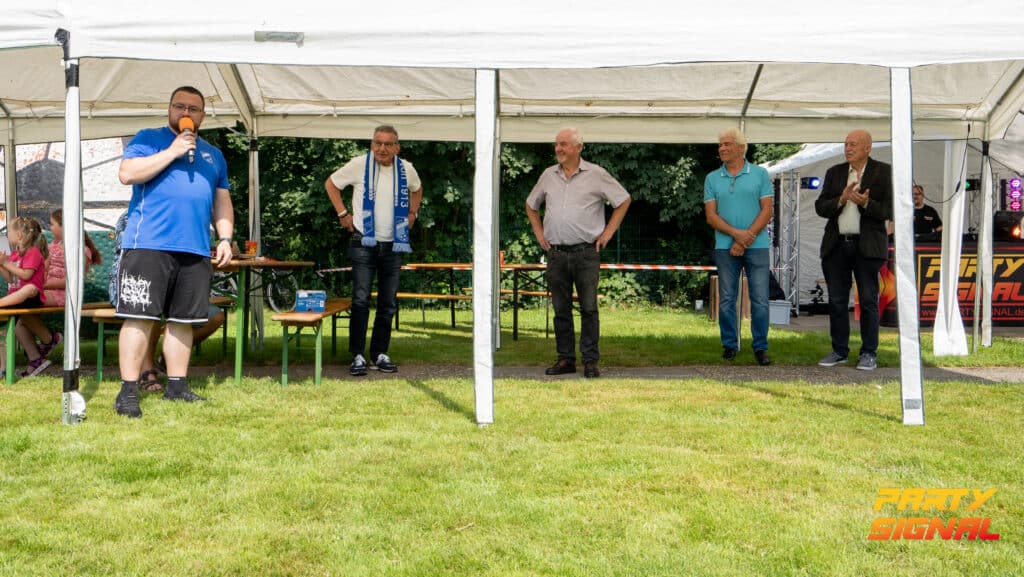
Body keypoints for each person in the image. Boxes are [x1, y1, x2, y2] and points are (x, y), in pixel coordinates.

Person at [114, 85, 234, 418]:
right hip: (148, 244)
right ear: (169, 109)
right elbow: (127, 173)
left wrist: (225, 237)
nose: (185, 113)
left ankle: (177, 388)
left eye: (193, 108)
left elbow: (222, 201)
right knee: (140, 317)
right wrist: (173, 150)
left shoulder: (213, 154)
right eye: (179, 106)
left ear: (203, 116)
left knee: (184, 321)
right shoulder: (149, 139)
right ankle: (128, 392)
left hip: (195, 248)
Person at [526, 127, 631, 378]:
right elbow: (531, 205)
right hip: (556, 253)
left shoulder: (597, 174)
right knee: (560, 309)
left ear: (578, 147)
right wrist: (539, 234)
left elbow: (623, 200)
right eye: (556, 144)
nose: (558, 148)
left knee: (589, 308)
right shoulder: (548, 175)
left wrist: (607, 233)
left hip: (586, 253)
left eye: (563, 144)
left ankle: (590, 361)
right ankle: (565, 360)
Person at [325, 125, 423, 376]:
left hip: (394, 244)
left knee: (388, 303)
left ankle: (379, 353)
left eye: (388, 144)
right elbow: (331, 184)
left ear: (397, 147)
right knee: (360, 300)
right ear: (371, 145)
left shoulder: (406, 169)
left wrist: (413, 213)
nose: (382, 148)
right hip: (363, 242)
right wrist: (342, 214)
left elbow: (417, 189)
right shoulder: (359, 165)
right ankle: (357, 355)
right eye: (378, 143)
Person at [107, 210, 225, 392]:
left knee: (211, 316)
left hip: (170, 284)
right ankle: (145, 373)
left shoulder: (190, 218)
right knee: (150, 313)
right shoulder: (135, 216)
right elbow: (137, 256)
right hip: (131, 284)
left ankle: (166, 361)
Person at [814, 129, 892, 371]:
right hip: (837, 245)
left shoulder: (884, 172)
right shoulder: (835, 172)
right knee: (837, 301)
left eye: (853, 144)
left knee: (868, 301)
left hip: (867, 246)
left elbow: (890, 210)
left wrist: (866, 203)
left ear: (868, 148)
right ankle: (839, 351)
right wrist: (841, 199)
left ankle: (869, 352)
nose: (848, 148)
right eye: (846, 144)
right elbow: (821, 207)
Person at [704, 128, 774, 366]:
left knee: (760, 299)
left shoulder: (760, 174)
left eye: (727, 144)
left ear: (741, 148)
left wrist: (746, 238)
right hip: (726, 247)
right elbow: (711, 216)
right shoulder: (712, 178)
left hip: (757, 246)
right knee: (726, 299)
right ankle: (729, 345)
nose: (722, 148)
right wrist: (738, 236)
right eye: (720, 144)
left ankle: (760, 348)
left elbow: (767, 210)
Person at [14, 208, 103, 370]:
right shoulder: (53, 245)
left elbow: (72, 282)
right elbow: (42, 268)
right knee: (20, 325)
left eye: (52, 224)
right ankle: (36, 360)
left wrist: (43, 284)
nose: (50, 228)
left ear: (65, 226)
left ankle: (50, 339)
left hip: (63, 294)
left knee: (23, 302)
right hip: (44, 289)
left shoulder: (82, 250)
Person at [0, 216, 51, 378]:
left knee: (29, 288)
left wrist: (6, 264)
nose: (7, 235)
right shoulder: (15, 255)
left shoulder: (33, 252)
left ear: (19, 235)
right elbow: (10, 279)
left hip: (31, 297)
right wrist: (2, 265)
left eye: (9, 232)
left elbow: (26, 275)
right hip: (16, 298)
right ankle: (5, 368)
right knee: (6, 329)